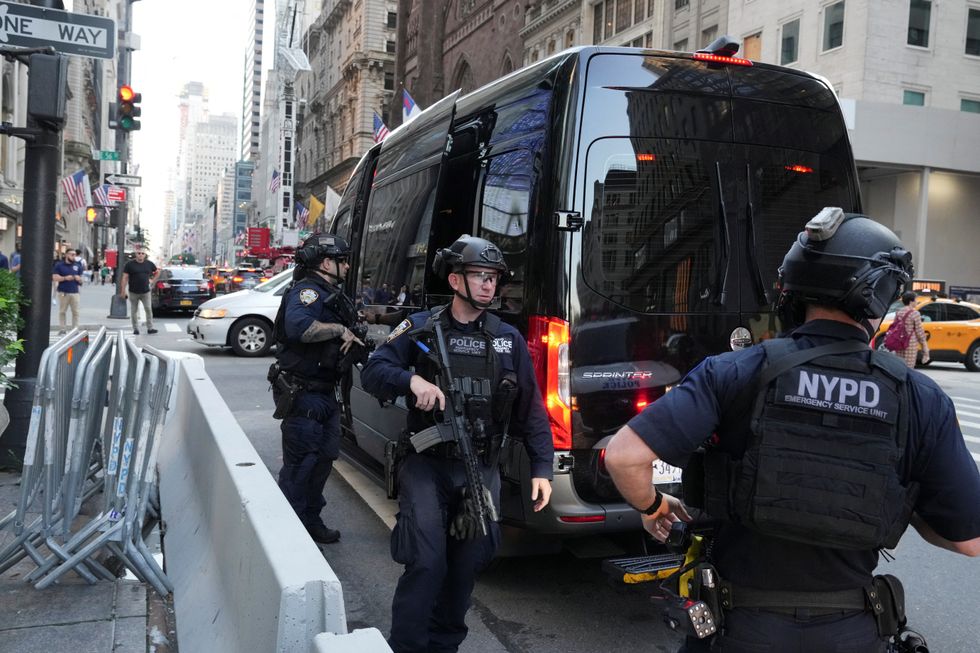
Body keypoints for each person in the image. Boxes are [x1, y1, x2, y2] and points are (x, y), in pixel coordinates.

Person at [604, 208, 980, 653]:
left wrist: (652, 505)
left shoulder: (733, 371)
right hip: (852, 633)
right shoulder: (920, 397)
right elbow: (968, 540)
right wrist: (889, 499)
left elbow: (624, 456)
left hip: (738, 629)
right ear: (877, 296)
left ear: (794, 287)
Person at [361, 235, 555, 653]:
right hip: (426, 463)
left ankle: (443, 645)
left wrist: (542, 468)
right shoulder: (420, 327)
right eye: (479, 276)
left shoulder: (507, 339)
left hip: (479, 467)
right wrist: (410, 379)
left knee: (466, 567)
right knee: (426, 562)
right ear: (454, 279)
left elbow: (530, 408)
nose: (488, 285)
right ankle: (408, 646)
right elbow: (373, 370)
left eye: (494, 278)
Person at [270, 233, 361, 545]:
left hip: (325, 392)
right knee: (300, 466)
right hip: (303, 393)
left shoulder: (330, 293)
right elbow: (298, 327)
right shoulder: (308, 292)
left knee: (322, 460)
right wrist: (339, 329)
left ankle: (310, 518)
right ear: (326, 263)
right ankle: (288, 534)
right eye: (342, 260)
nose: (347, 266)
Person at [887, 291, 930, 369]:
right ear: (911, 301)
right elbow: (919, 331)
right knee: (909, 366)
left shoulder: (899, 312)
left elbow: (894, 326)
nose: (917, 302)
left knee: (900, 365)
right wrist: (925, 347)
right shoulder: (915, 313)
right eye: (915, 300)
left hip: (899, 341)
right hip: (910, 343)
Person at [120, 250, 159, 335]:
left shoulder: (149, 264)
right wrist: (123, 291)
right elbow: (125, 277)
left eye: (142, 253)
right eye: (139, 253)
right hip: (133, 292)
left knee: (148, 309)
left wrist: (153, 281)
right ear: (136, 254)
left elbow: (157, 272)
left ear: (145, 255)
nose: (140, 255)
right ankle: (135, 328)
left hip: (146, 292)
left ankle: (150, 328)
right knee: (134, 310)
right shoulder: (129, 264)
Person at [52, 248, 84, 334]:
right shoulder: (59, 265)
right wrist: (65, 278)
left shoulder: (78, 265)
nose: (74, 256)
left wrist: (79, 279)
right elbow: (54, 277)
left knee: (76, 312)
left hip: (75, 292)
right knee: (62, 311)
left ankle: (75, 329)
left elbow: (82, 280)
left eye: (75, 255)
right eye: (72, 254)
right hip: (63, 292)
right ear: (66, 255)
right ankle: (62, 329)